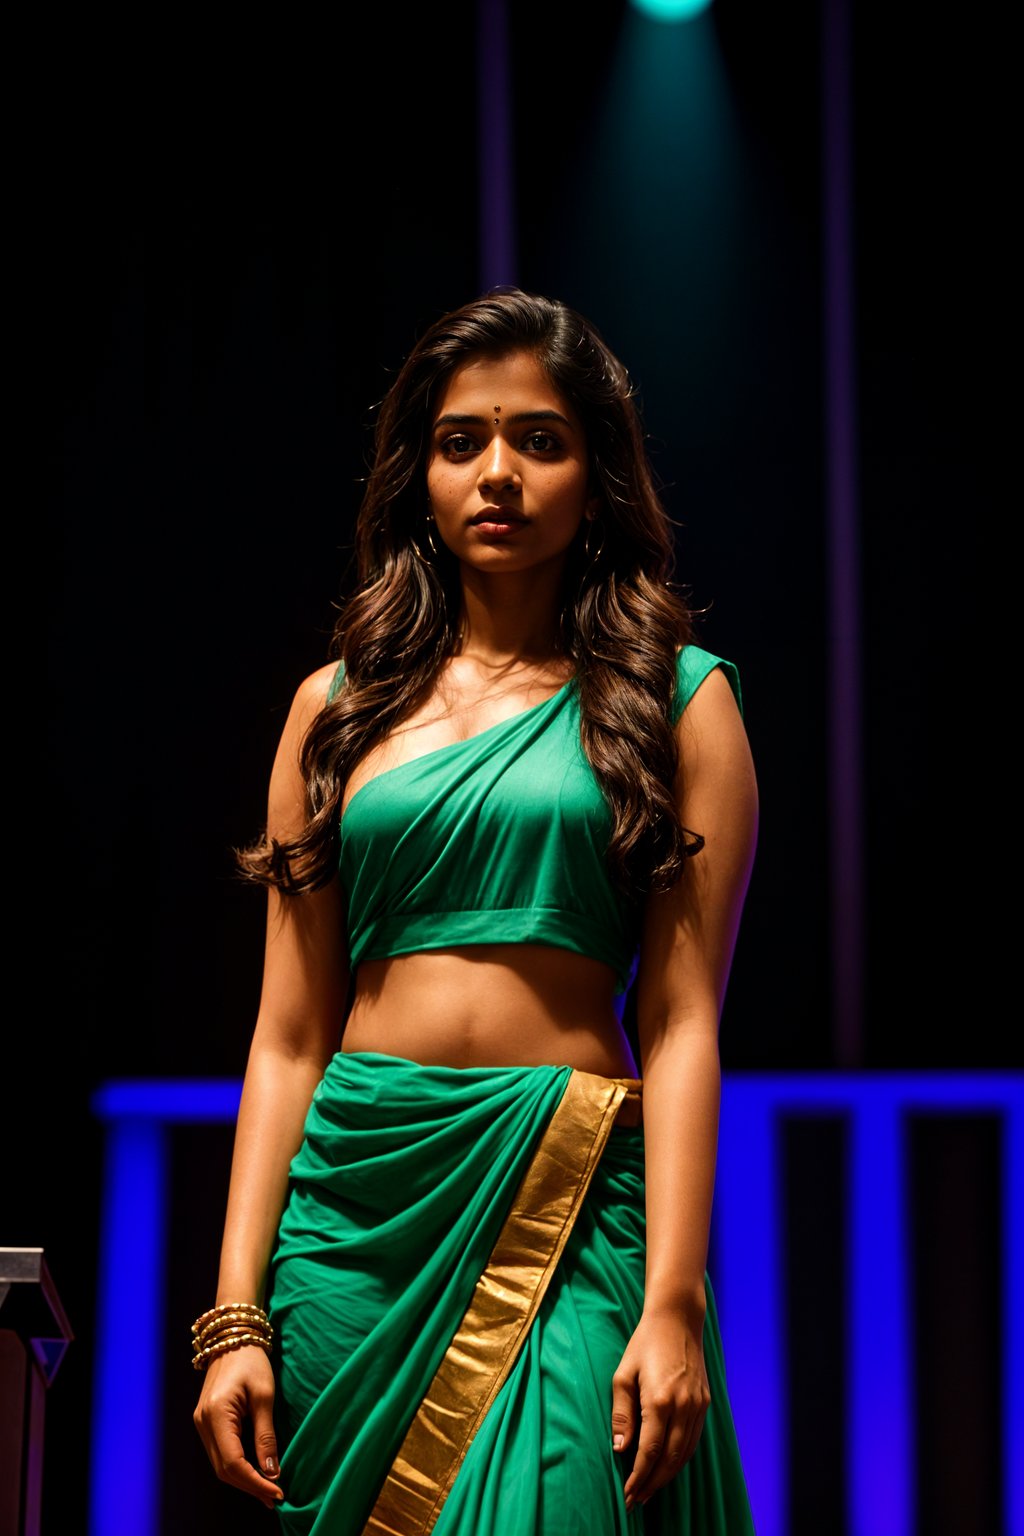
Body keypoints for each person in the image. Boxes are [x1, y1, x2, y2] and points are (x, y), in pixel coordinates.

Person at [192, 286, 759, 1534]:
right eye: (461, 442)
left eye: (538, 440)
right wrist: (235, 1313)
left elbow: (679, 1025)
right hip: (355, 1224)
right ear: (419, 473)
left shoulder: (675, 702)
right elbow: (288, 1037)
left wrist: (670, 1301)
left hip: (564, 1212)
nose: (496, 473)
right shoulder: (333, 711)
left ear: (597, 472)